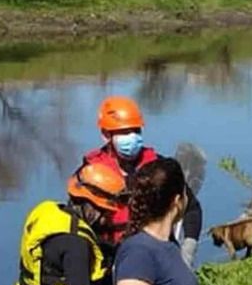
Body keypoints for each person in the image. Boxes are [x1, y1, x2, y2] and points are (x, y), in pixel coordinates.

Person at [81, 96, 203, 266]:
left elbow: (192, 209)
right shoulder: (90, 174)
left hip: (157, 255)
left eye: (136, 131)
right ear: (106, 135)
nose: (132, 137)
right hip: (109, 259)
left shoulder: (157, 168)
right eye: (124, 132)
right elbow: (76, 223)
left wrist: (188, 250)